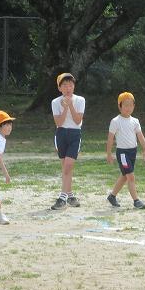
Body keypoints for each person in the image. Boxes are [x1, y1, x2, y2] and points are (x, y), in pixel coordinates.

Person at [106, 92, 145, 209]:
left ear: (134, 106)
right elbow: (110, 138)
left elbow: (140, 136)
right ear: (120, 106)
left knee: (125, 176)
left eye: (131, 105)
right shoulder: (115, 121)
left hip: (132, 152)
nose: (128, 108)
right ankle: (136, 201)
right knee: (130, 176)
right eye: (125, 105)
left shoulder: (135, 121)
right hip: (122, 153)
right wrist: (109, 153)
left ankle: (112, 196)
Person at [50, 72, 85, 210]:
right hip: (61, 134)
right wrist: (65, 107)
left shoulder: (80, 100)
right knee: (65, 167)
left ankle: (62, 197)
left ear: (74, 86)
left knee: (68, 165)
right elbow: (59, 122)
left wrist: (70, 105)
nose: (68, 88)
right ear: (59, 88)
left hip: (74, 134)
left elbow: (77, 121)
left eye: (70, 84)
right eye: (64, 85)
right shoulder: (55, 102)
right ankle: (70, 196)